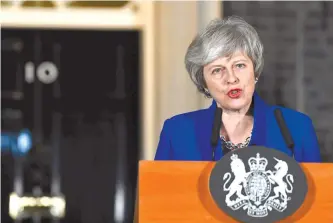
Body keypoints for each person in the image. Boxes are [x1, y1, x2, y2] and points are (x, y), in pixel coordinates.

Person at [154, 16, 321, 162]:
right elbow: (158, 196)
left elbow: (318, 195)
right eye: (217, 70)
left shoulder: (295, 128)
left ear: (255, 71)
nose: (231, 78)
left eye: (239, 65)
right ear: (203, 82)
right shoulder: (177, 132)